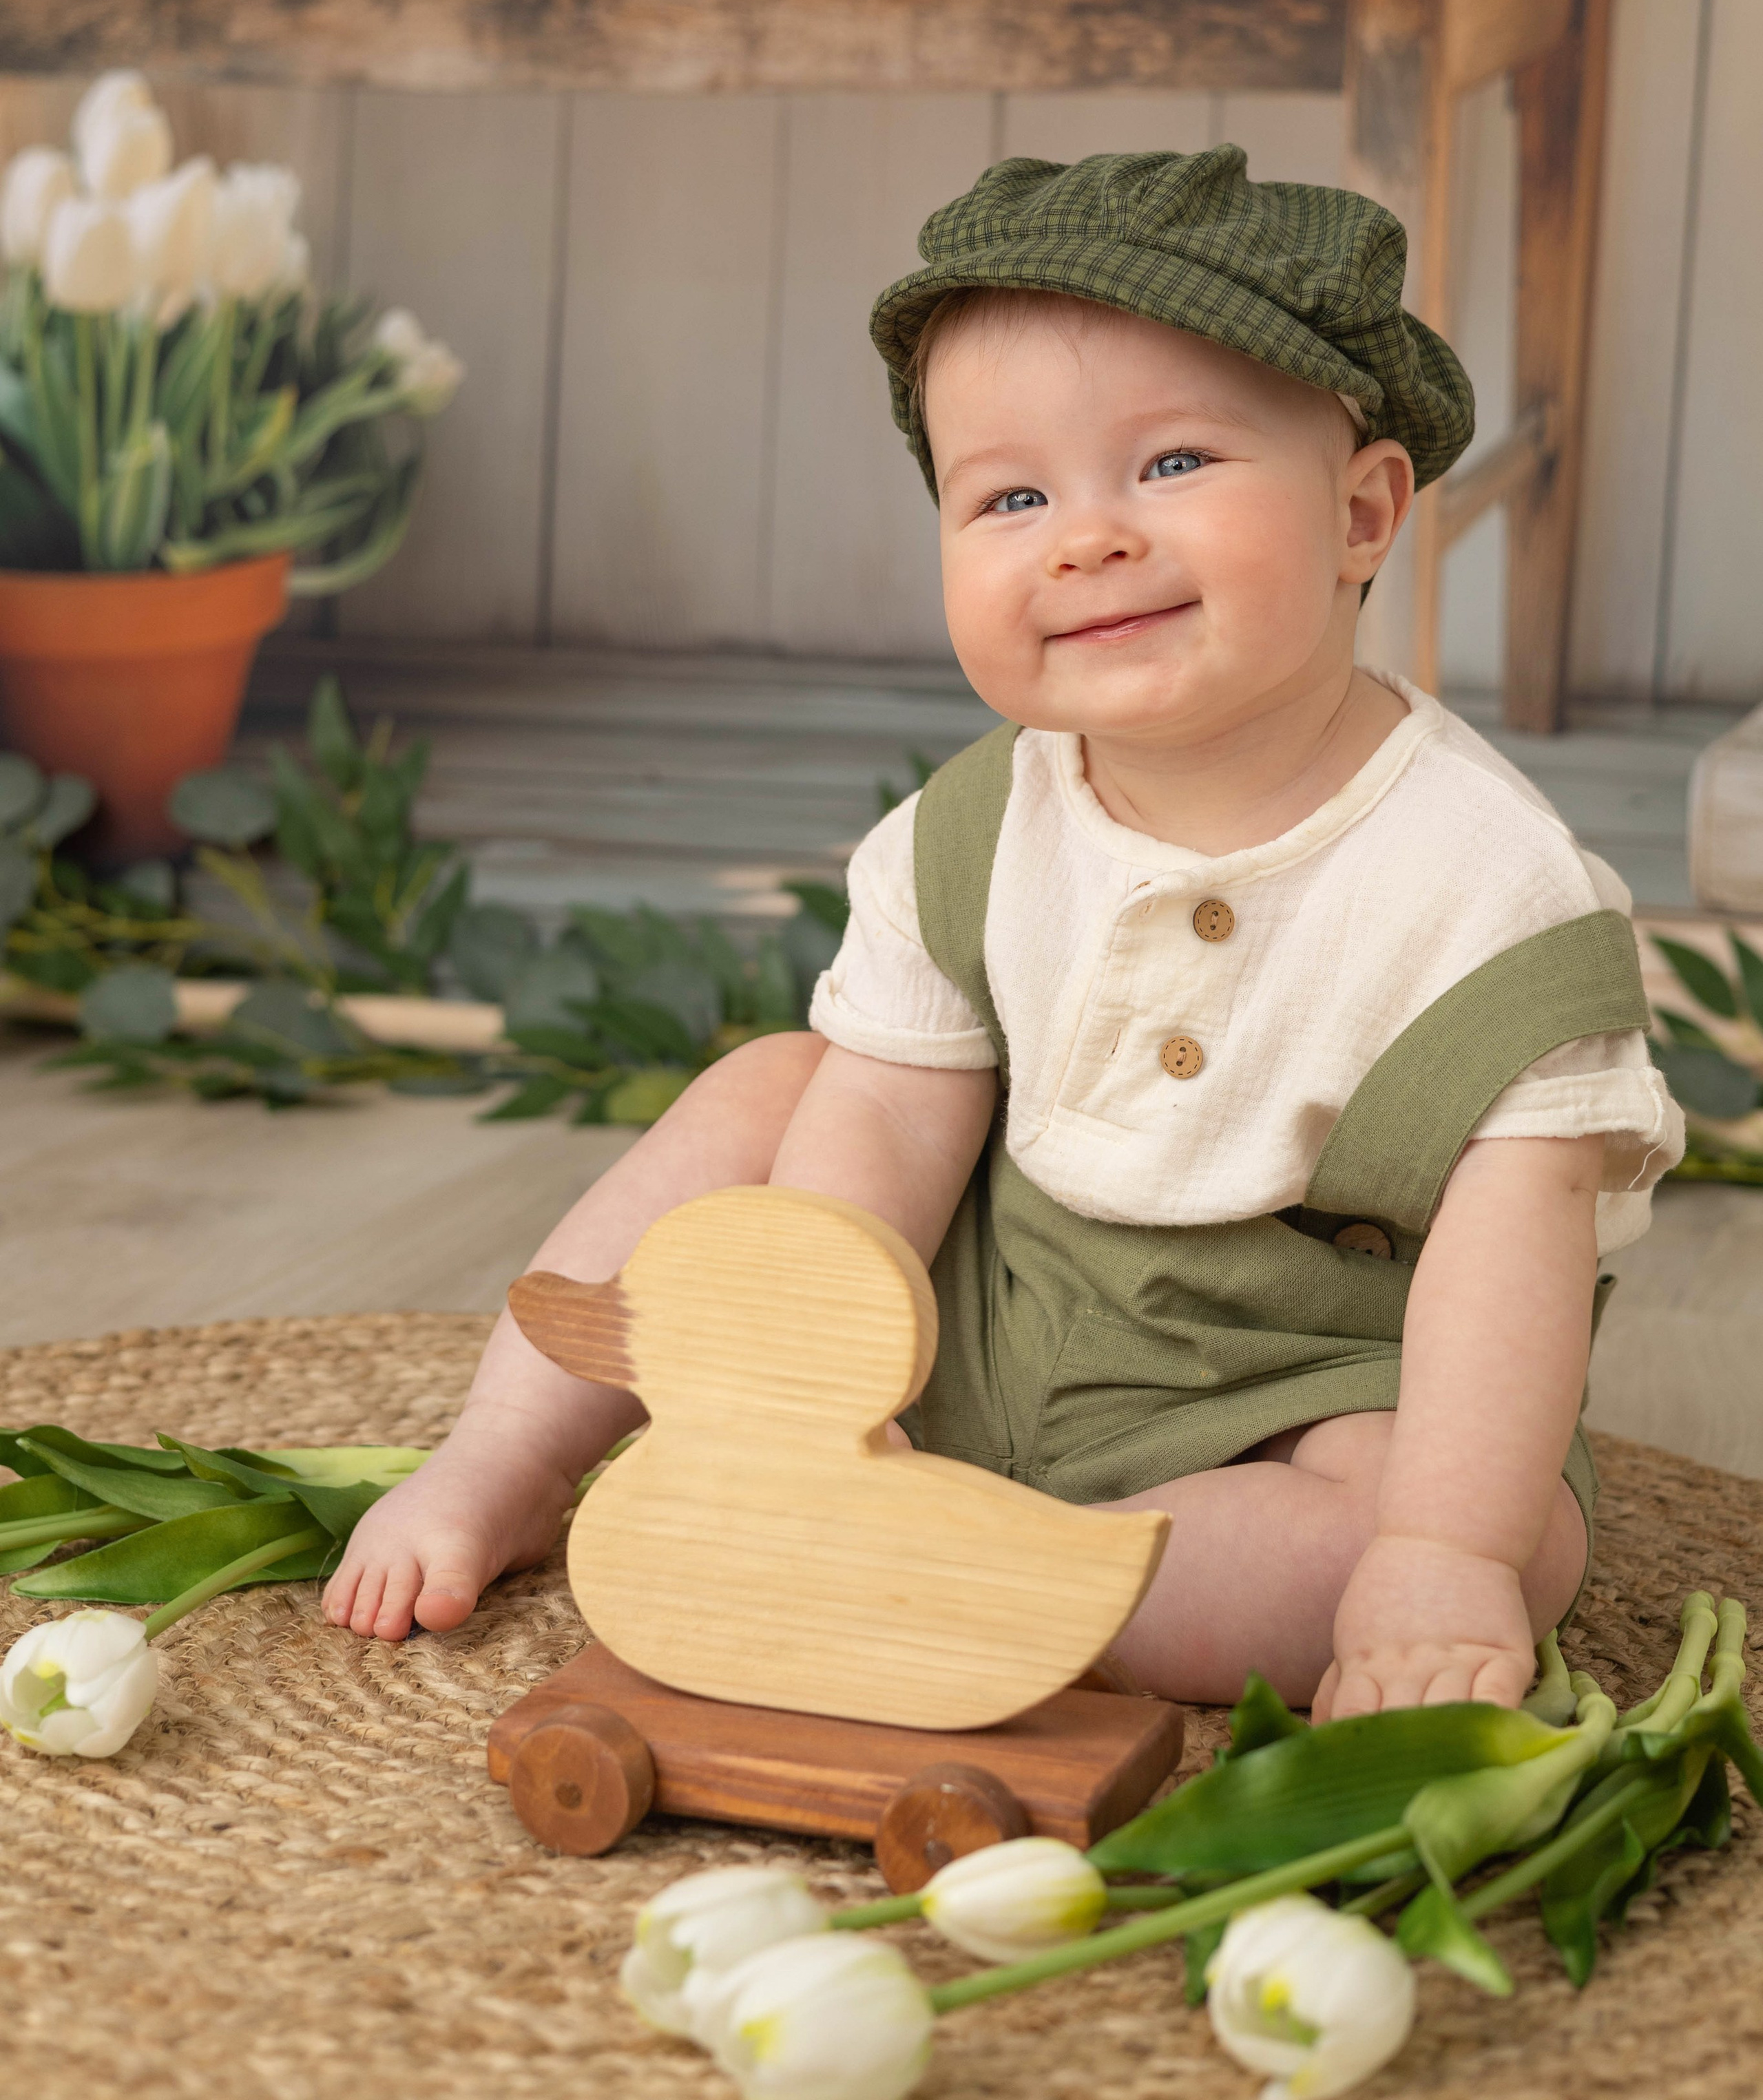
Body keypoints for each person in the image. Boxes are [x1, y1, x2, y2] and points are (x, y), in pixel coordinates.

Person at [325, 147, 1680, 1718]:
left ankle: (1000, 1577)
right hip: (976, 1311)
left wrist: (1442, 1550)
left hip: (1297, 1382)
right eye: (1011, 497)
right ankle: (505, 1458)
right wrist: (813, 1387)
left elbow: (1513, 1253)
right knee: (778, 1089)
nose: (1082, 538)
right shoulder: (971, 831)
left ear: (1360, 513)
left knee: (1480, 1541)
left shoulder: (1489, 888)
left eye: (1172, 462)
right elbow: (893, 1117)